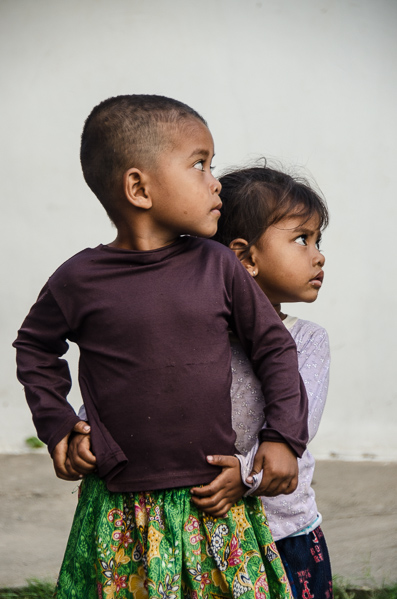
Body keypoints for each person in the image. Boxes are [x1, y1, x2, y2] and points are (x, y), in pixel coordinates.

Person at [13, 96, 306, 599]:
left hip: (211, 499)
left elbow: (276, 349)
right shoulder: (79, 280)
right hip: (117, 505)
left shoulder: (218, 267)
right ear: (138, 187)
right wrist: (59, 426)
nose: (215, 181)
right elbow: (34, 348)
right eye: (199, 164)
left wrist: (282, 438)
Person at [191, 165, 333, 599]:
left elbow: (295, 431)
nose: (319, 255)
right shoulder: (193, 336)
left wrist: (245, 477)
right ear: (245, 258)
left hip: (282, 530)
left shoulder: (307, 340)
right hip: (204, 531)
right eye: (301, 239)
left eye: (318, 240)